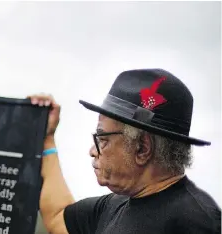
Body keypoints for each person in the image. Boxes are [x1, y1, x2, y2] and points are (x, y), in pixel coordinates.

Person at [29, 68, 221, 234]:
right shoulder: (113, 206)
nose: (92, 151)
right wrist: (46, 139)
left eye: (103, 139)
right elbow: (58, 216)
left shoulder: (197, 224)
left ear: (142, 148)